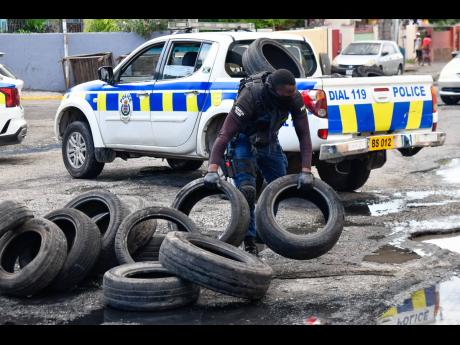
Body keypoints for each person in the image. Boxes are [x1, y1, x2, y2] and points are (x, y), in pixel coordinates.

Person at [204, 69, 314, 256]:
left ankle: (264, 233)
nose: (290, 96)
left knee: (279, 188)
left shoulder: (294, 98)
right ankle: (248, 241)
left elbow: (304, 135)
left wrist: (306, 170)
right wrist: (212, 168)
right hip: (242, 140)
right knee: (247, 191)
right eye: (286, 93)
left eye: (292, 92)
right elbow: (225, 134)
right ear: (272, 89)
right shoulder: (251, 95)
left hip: (269, 141)